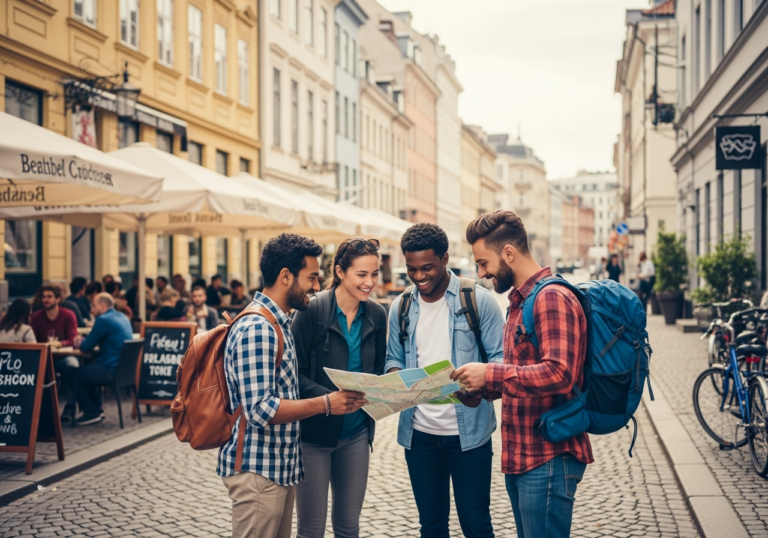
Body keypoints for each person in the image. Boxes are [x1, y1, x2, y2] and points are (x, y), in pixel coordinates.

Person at [453, 210, 593, 538]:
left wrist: (491, 373)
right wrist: (481, 390)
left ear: (509, 253)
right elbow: (523, 372)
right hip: (522, 456)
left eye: (484, 263)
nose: (481, 272)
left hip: (549, 456)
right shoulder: (520, 300)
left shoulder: (551, 298)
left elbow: (561, 374)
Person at [217, 233, 367, 538]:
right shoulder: (258, 328)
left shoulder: (279, 321)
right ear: (286, 277)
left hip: (278, 468)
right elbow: (260, 410)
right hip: (258, 471)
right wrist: (326, 403)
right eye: (311, 277)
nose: (316, 286)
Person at [384, 223, 504, 538]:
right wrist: (396, 377)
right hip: (420, 437)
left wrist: (481, 388)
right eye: (411, 269)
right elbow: (393, 358)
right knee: (432, 526)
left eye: (427, 268)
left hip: (470, 437)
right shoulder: (402, 306)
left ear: (445, 259)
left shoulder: (478, 301)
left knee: (476, 524)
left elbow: (502, 361)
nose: (419, 276)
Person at [292, 237, 387, 538]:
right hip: (314, 436)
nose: (370, 282)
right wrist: (328, 399)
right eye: (362, 274)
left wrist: (391, 389)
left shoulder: (377, 315)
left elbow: (380, 370)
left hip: (357, 434)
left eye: (374, 274)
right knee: (311, 530)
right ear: (340, 271)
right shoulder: (311, 311)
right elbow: (294, 375)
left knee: (348, 527)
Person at [66, 293, 134, 425]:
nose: (91, 309)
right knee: (86, 371)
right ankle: (97, 409)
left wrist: (79, 341)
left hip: (109, 370)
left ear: (103, 305)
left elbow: (86, 347)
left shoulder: (103, 320)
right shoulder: (122, 317)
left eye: (93, 305)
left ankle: (91, 412)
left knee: (70, 374)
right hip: (124, 372)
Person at [30, 285, 79, 419]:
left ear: (58, 299)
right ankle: (45, 411)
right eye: (44, 297)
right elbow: (33, 340)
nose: (46, 300)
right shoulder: (36, 317)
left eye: (49, 297)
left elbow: (72, 339)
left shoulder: (68, 315)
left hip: (64, 356)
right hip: (45, 357)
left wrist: (58, 344)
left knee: (73, 366)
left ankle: (70, 407)